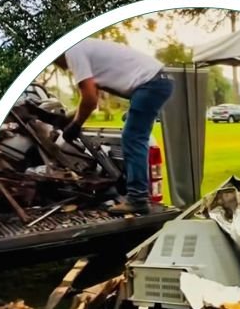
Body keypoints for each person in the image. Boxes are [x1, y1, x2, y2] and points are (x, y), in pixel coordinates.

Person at [54, 39, 174, 216]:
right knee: (134, 134)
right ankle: (137, 193)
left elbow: (90, 99)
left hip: (151, 84)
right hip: (157, 81)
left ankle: (138, 200)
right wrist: (68, 118)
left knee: (133, 137)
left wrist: (76, 124)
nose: (64, 69)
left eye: (57, 63)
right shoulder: (82, 48)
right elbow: (91, 96)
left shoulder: (72, 51)